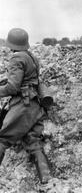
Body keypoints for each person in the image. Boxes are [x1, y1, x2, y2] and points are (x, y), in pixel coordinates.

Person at [0, 28, 51, 184]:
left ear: (11, 43)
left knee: (2, 138)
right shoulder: (32, 57)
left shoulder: (16, 59)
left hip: (23, 105)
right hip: (36, 106)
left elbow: (13, 88)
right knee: (32, 141)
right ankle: (47, 180)